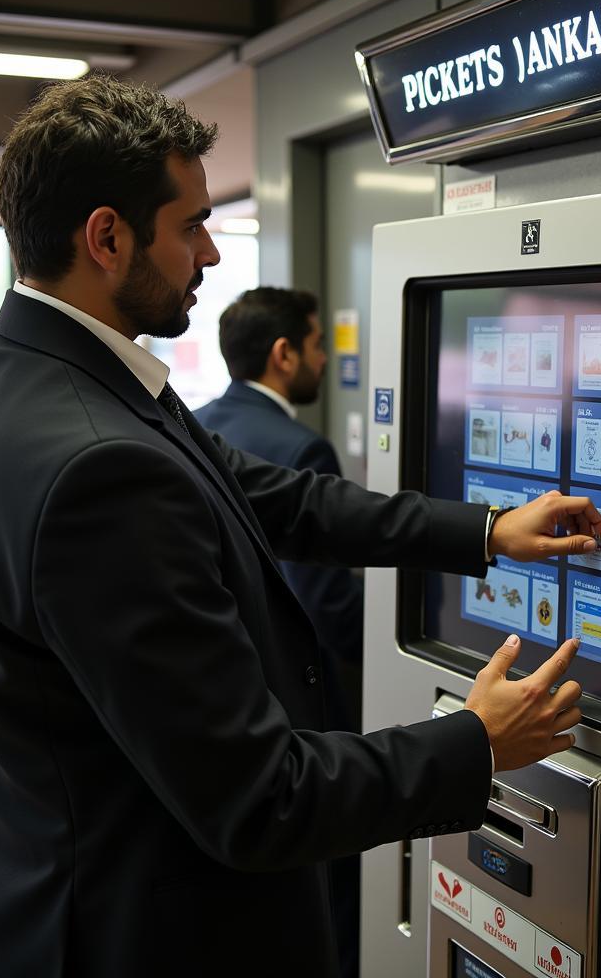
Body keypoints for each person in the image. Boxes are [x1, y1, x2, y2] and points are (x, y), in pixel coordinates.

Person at [0, 75, 601, 978]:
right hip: (138, 930)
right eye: (191, 225)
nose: (209, 253)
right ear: (106, 236)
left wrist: (485, 531)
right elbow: (258, 799)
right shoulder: (98, 465)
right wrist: (474, 741)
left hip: (37, 890)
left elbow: (275, 497)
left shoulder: (7, 385)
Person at [194, 287, 365, 978]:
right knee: (333, 885)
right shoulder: (301, 446)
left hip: (231, 696)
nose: (327, 359)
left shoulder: (197, 426)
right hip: (301, 710)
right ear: (283, 353)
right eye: (320, 345)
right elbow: (326, 601)